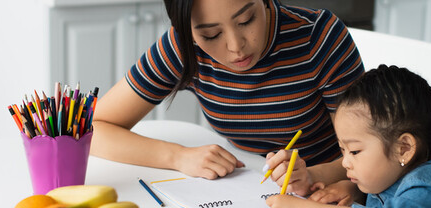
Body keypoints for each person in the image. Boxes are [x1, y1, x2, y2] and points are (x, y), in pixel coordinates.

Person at [90, 0, 365, 179]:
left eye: (246, 20)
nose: (236, 47)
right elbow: (91, 128)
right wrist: (177, 156)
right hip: (243, 190)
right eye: (211, 35)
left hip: (334, 188)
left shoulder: (317, 36)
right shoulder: (184, 47)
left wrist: (321, 178)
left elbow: (372, 149)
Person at [266, 65, 431, 208]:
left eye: (354, 151)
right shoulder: (393, 172)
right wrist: (356, 191)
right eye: (342, 150)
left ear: (404, 149)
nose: (345, 162)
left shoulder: (427, 194)